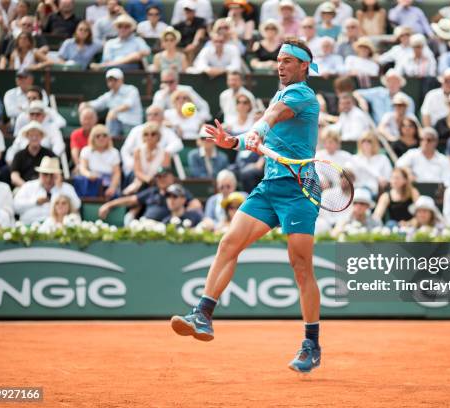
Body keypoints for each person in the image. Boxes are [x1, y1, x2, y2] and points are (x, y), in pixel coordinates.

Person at [173, 38, 323, 374]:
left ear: (303, 66)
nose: (280, 65)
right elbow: (262, 135)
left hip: (299, 191)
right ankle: (203, 314)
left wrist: (256, 131)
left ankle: (311, 343)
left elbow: (271, 118)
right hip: (270, 186)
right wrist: (234, 141)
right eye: (278, 60)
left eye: (287, 60)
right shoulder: (280, 93)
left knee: (301, 268)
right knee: (229, 243)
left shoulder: (302, 95)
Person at [99, 166, 200, 222]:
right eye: (158, 177)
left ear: (172, 177)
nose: (161, 179)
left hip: (165, 225)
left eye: (164, 176)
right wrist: (109, 205)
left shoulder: (178, 191)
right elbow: (131, 200)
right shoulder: (152, 191)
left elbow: (195, 204)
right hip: (145, 224)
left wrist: (180, 213)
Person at [14, 156, 80, 225]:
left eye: (52, 175)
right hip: (29, 226)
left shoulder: (66, 187)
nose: (48, 179)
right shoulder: (29, 186)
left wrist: (59, 189)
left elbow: (76, 205)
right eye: (45, 174)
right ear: (39, 174)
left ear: (57, 175)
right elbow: (16, 207)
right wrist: (35, 202)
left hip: (56, 227)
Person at [80, 68, 143, 137]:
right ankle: (110, 140)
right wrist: (85, 104)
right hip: (116, 125)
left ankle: (109, 139)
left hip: (132, 124)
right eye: (110, 80)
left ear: (121, 80)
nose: (112, 82)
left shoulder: (131, 89)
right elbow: (97, 104)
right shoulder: (108, 95)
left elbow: (127, 105)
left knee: (111, 116)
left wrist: (114, 111)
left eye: (115, 80)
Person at [121, 105, 183, 175]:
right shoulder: (136, 130)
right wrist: (133, 164)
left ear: (162, 117)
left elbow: (178, 144)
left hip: (156, 171)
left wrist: (162, 153)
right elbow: (125, 150)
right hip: (135, 170)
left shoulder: (167, 131)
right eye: (149, 115)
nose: (152, 117)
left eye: (155, 114)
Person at [123, 122, 171, 194]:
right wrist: (147, 179)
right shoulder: (138, 151)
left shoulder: (165, 154)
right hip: (140, 181)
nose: (149, 137)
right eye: (146, 134)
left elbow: (163, 172)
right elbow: (137, 171)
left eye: (153, 134)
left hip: (157, 183)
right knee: (133, 189)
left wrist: (152, 179)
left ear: (158, 136)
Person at [75, 124, 121, 198]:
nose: (101, 138)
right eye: (98, 136)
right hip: (91, 182)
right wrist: (89, 175)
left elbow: (116, 173)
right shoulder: (86, 150)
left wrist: (112, 188)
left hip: (108, 184)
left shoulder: (114, 152)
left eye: (104, 135)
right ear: (93, 138)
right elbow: (83, 168)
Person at [10, 121, 56, 187]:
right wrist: (26, 187)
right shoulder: (19, 155)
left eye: (37, 135)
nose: (34, 138)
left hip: (46, 187)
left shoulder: (49, 154)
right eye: (31, 135)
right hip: (23, 188)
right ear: (27, 137)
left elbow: (56, 174)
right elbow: (14, 175)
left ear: (41, 136)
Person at [346, 131, 392, 197]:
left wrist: (383, 181)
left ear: (375, 143)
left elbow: (387, 179)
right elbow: (346, 173)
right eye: (363, 141)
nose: (366, 143)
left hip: (374, 191)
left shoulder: (383, 159)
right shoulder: (354, 158)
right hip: (356, 189)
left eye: (369, 141)